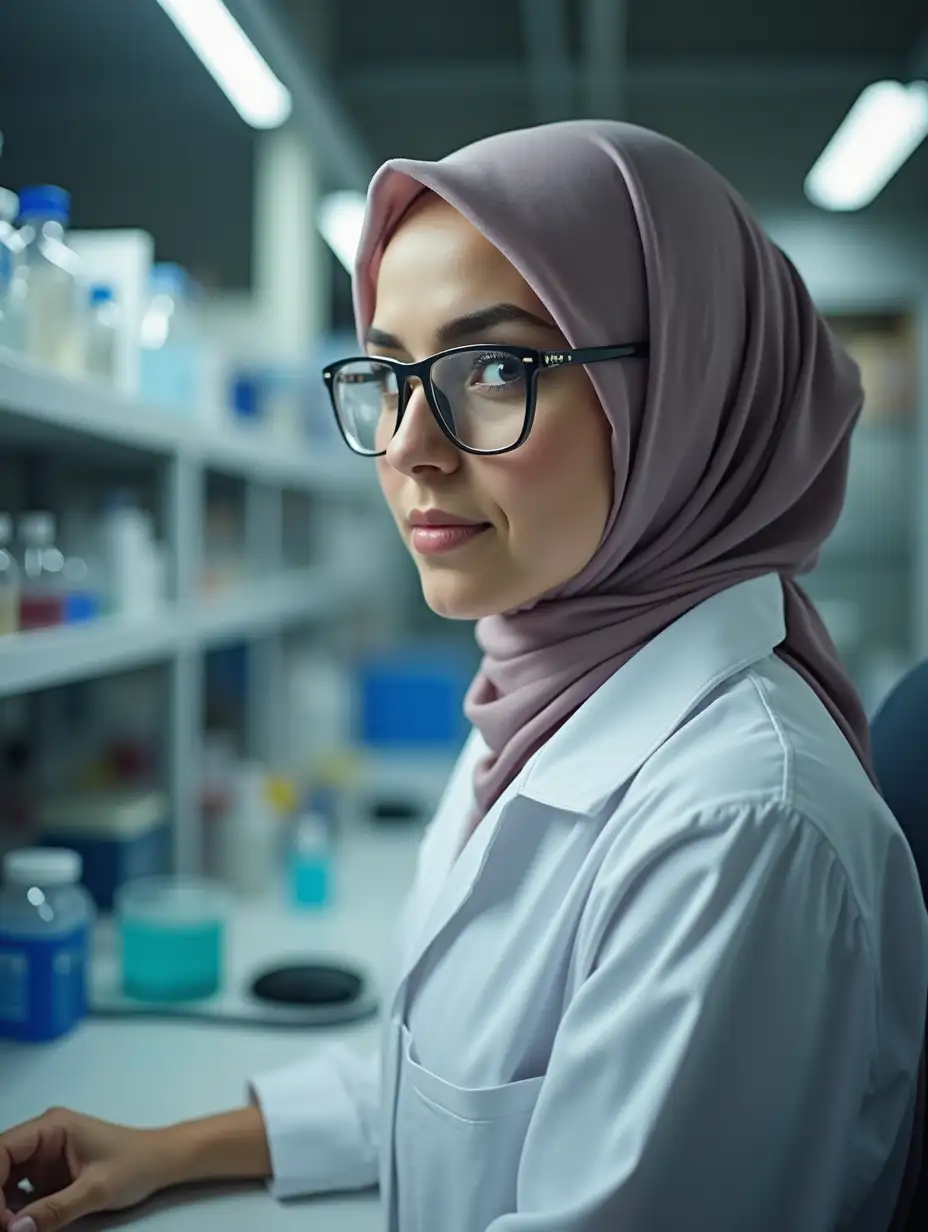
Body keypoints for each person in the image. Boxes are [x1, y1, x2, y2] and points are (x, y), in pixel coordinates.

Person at [2, 119, 927, 1232]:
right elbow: (457, 1076)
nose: (408, 444)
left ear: (684, 397)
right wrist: (170, 1149)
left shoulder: (740, 828)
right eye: (387, 374)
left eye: (494, 367)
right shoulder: (547, 684)